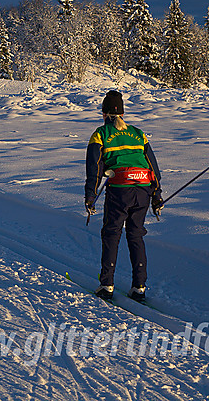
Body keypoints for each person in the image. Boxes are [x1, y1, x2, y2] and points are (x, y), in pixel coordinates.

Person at [84, 90, 162, 302]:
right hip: (144, 189)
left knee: (112, 233)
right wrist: (157, 196)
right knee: (135, 235)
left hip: (120, 189)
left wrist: (90, 196)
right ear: (122, 114)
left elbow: (95, 168)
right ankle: (139, 287)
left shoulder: (100, 134)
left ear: (104, 113)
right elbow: (153, 166)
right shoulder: (138, 133)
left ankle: (107, 284)